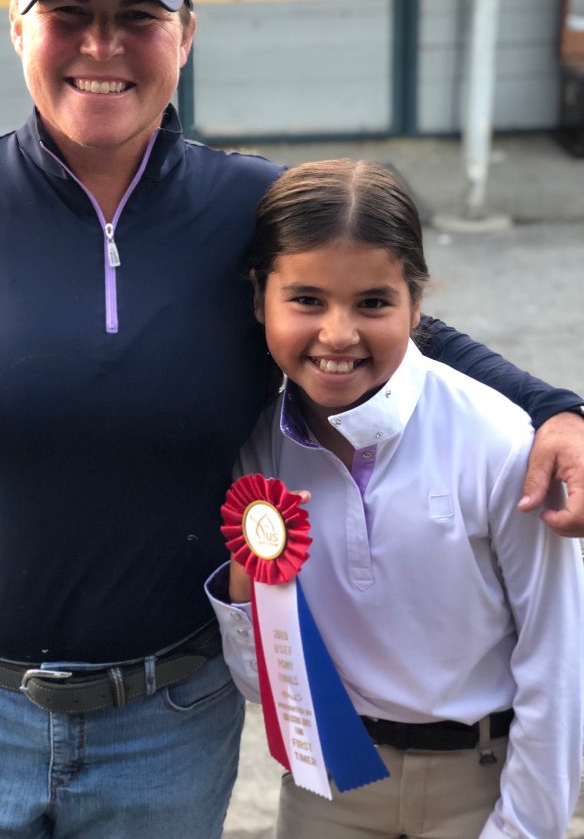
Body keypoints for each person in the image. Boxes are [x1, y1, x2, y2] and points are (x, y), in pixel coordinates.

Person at [0, 0, 581, 839]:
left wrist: (560, 409)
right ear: (17, 25)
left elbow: (393, 331)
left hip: (169, 719)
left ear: (186, 32)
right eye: (68, 12)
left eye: (139, 15)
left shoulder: (246, 210)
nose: (102, 46)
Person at [206, 159, 584, 839]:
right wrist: (244, 595)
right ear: (262, 297)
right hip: (331, 787)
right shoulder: (260, 449)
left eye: (373, 303)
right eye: (307, 300)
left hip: (484, 787)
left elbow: (559, 664)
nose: (339, 334)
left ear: (417, 304)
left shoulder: (500, 444)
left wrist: (525, 828)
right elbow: (266, 684)